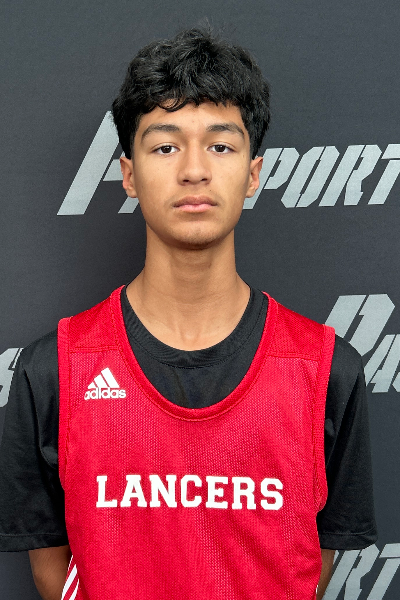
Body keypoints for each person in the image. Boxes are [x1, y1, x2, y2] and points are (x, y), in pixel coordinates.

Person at [0, 23, 377, 600]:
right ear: (129, 175)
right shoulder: (53, 371)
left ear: (253, 174)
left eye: (221, 146)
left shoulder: (327, 371)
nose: (194, 170)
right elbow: (53, 573)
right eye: (166, 146)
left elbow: (308, 567)